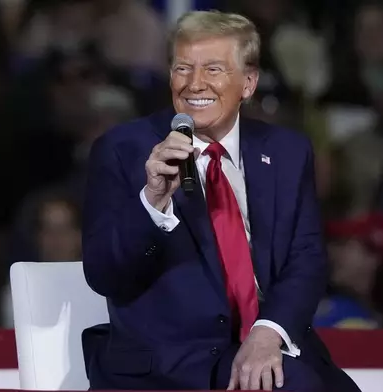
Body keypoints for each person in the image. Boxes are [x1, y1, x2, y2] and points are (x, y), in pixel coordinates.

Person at [82, 10, 360, 391]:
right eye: (183, 68)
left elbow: (306, 259)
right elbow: (104, 275)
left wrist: (268, 333)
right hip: (169, 364)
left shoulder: (286, 151)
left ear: (248, 83)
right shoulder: (123, 151)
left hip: (267, 345)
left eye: (213, 70)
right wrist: (152, 203)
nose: (195, 84)